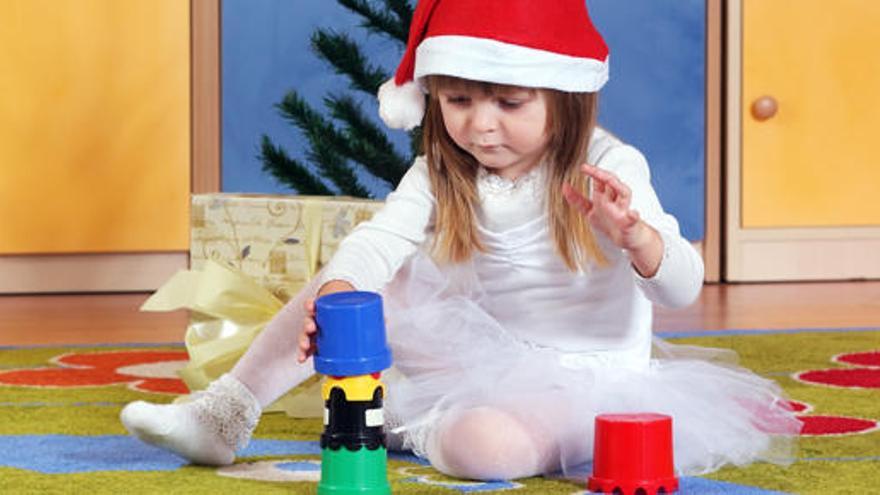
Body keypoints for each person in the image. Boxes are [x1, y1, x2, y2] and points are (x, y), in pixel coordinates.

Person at [121, 0, 802, 480]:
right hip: (481, 349)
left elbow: (684, 287)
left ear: (563, 96)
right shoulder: (440, 170)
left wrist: (638, 238)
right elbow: (379, 240)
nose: (481, 127)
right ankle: (225, 411)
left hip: (587, 381)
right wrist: (337, 291)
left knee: (485, 447)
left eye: (508, 103)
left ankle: (402, 422)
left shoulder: (610, 166)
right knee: (354, 283)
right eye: (457, 102)